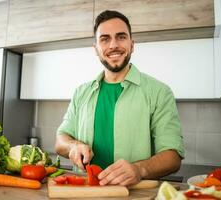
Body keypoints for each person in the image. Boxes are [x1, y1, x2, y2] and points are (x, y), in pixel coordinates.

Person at [55, 10, 184, 186]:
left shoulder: (159, 92)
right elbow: (61, 139)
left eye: (121, 37)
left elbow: (173, 156)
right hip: (85, 192)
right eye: (105, 39)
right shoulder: (81, 92)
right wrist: (73, 146)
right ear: (96, 49)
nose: (113, 45)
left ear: (132, 44)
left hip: (136, 195)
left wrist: (140, 169)